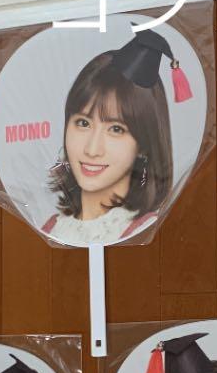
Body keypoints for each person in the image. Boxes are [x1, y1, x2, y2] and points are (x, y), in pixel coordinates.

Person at [42, 28, 190, 245]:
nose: (92, 149)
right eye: (83, 123)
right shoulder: (51, 229)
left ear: (143, 144)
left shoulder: (150, 231)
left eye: (116, 129)